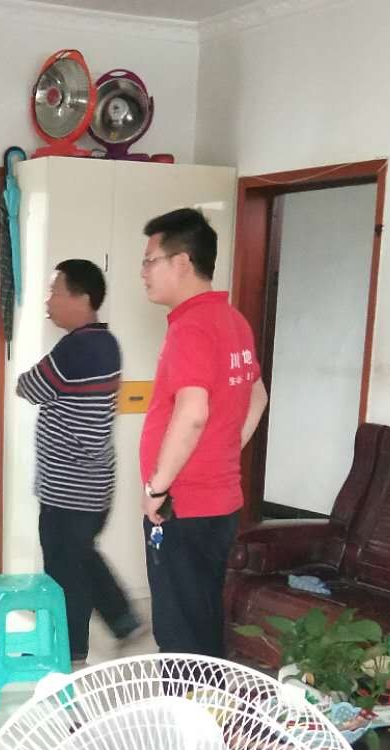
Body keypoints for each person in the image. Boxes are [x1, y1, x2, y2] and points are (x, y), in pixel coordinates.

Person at [138, 208, 269, 658]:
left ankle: (188, 705)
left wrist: (158, 487)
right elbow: (258, 397)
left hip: (183, 504)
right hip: (221, 500)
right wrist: (223, 451)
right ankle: (210, 700)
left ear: (181, 263)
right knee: (204, 616)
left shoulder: (190, 327)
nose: (143, 272)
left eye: (150, 261)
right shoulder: (233, 321)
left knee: (179, 631)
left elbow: (192, 412)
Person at [16, 259, 141, 663]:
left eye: (55, 292)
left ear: (82, 298)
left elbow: (27, 387)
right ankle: (121, 619)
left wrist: (43, 389)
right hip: (94, 481)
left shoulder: (76, 347)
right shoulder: (107, 343)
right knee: (80, 556)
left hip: (69, 485)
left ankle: (68, 650)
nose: (48, 301)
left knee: (65, 569)